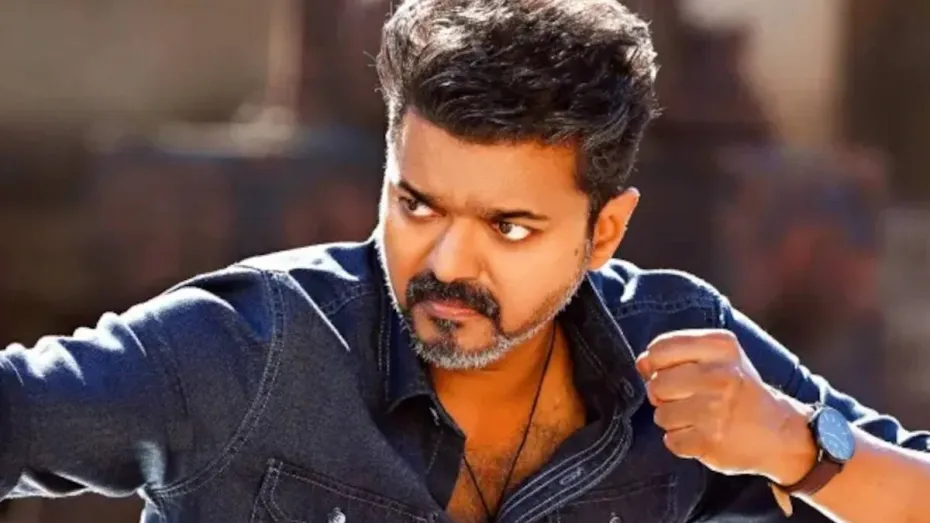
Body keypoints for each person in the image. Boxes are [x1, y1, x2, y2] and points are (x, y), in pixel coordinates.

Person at [2, 1, 929, 522]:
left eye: (510, 227)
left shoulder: (683, 347)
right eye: (417, 203)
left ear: (605, 231)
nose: (446, 261)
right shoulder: (249, 349)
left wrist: (797, 447)